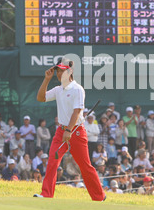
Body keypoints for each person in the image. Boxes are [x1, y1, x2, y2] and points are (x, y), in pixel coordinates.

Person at [34, 58, 106, 201]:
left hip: (76, 131)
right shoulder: (58, 89)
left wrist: (68, 131)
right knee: (53, 161)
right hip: (61, 131)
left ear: (70, 71)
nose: (59, 73)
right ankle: (47, 194)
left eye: (62, 70)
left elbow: (77, 111)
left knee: (84, 166)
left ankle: (99, 196)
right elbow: (40, 98)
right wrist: (46, 79)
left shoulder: (77, 89)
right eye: (58, 71)